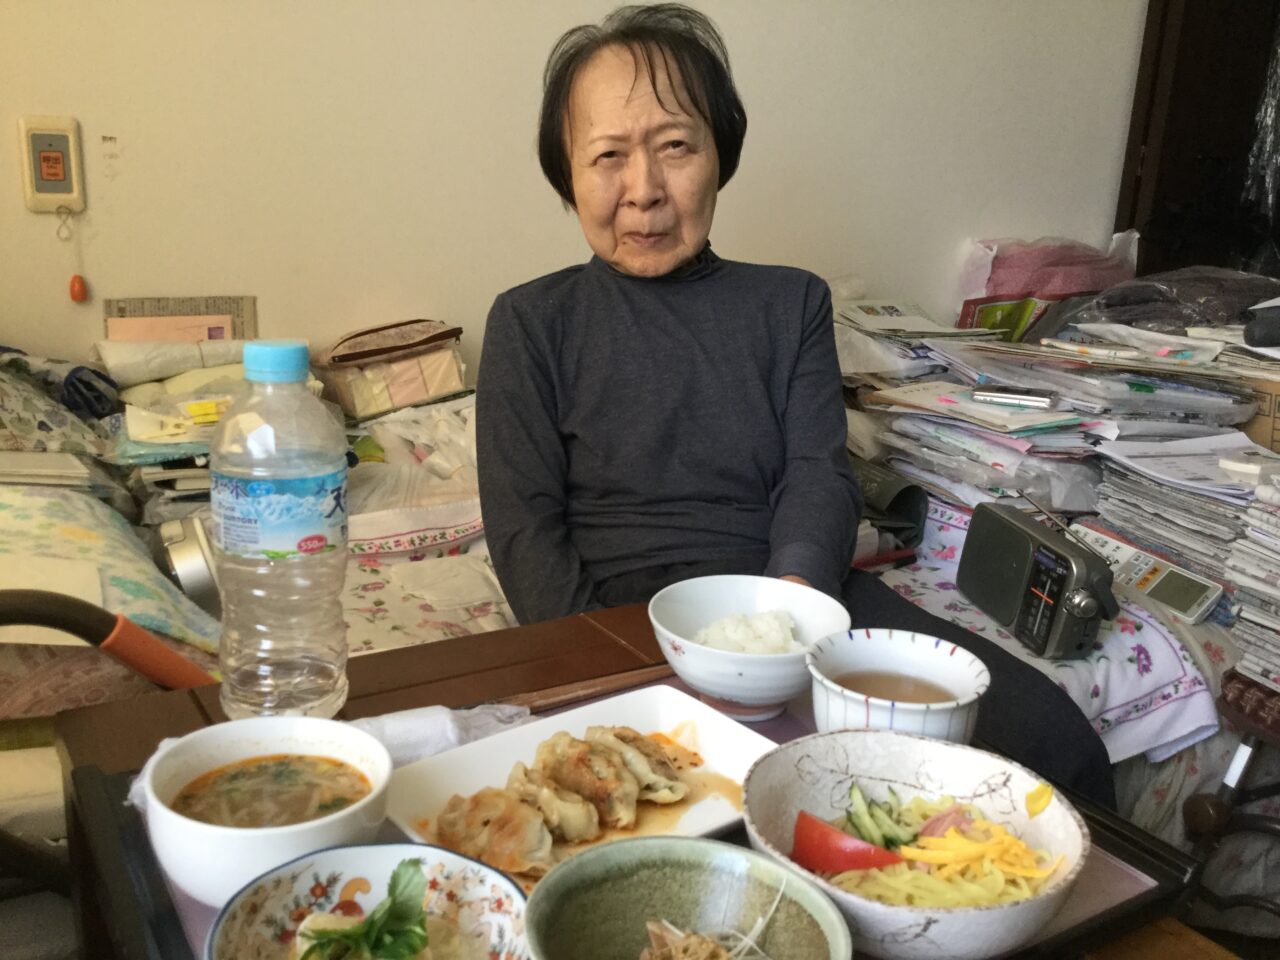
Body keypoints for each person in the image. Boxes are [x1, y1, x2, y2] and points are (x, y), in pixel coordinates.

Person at [476, 3, 861, 626]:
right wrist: (597, 653)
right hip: (603, 619)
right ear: (568, 175)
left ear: (719, 156)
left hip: (773, 600)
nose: (645, 190)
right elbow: (524, 527)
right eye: (608, 156)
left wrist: (790, 613)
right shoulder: (529, 322)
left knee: (1000, 691)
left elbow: (818, 477)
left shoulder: (793, 304)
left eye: (675, 145)